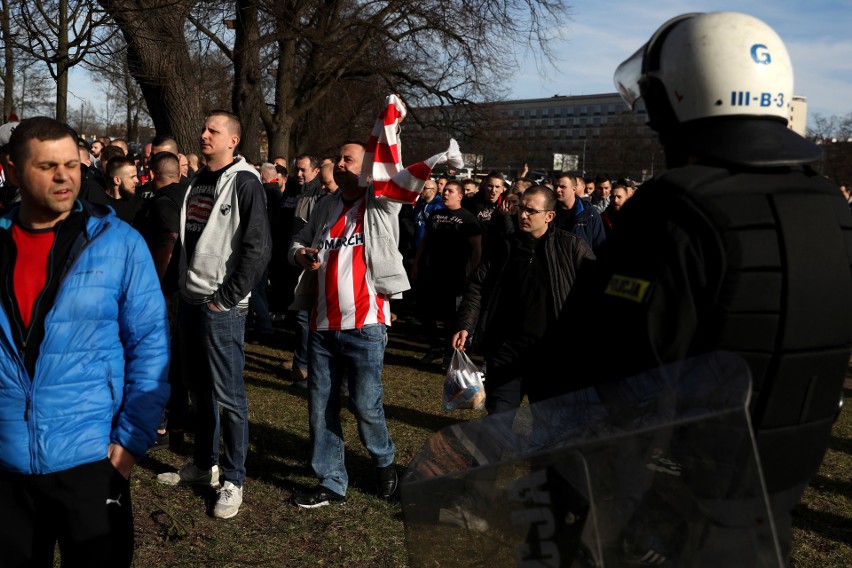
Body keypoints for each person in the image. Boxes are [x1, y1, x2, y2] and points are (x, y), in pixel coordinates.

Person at [543, 12, 852, 563]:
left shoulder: (673, 211)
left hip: (657, 521)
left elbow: (598, 374)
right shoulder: (832, 208)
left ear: (671, 105)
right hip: (765, 516)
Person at [0, 116, 170, 566]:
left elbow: (150, 346)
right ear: (12, 171)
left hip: (93, 459)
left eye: (72, 165)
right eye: (47, 166)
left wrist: (130, 444)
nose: (64, 177)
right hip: (8, 465)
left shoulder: (119, 244)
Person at [289, 96, 463, 508]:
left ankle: (385, 463)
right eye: (338, 159)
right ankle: (331, 480)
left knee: (365, 406)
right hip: (323, 324)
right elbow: (297, 241)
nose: (340, 164)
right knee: (320, 409)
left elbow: (398, 178)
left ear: (366, 167)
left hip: (366, 324)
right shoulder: (325, 206)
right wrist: (299, 254)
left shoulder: (379, 204)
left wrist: (395, 131)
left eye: (348, 159)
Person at [156, 110, 271, 521]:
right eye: (203, 127)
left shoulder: (245, 183)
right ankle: (205, 466)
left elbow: (258, 249)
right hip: (191, 301)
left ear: (233, 141)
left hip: (220, 307)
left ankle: (234, 478)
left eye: (213, 130)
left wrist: (226, 298)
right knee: (198, 390)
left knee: (229, 397)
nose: (203, 134)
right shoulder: (196, 181)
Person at [453, 185, 593, 414]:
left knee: (548, 426)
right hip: (506, 350)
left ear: (549, 216)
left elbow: (595, 292)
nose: (523, 215)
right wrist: (466, 325)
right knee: (498, 417)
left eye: (531, 210)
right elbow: (477, 286)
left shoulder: (572, 247)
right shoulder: (504, 246)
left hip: (551, 354)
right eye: (521, 208)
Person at [412, 180, 481, 366]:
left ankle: (449, 355)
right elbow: (425, 241)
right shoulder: (435, 215)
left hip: (455, 275)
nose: (446, 193)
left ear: (460, 196)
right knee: (425, 312)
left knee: (451, 317)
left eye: (450, 191)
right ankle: (434, 347)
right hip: (431, 271)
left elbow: (477, 249)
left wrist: (473, 272)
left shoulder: (468, 219)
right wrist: (417, 263)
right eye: (445, 190)